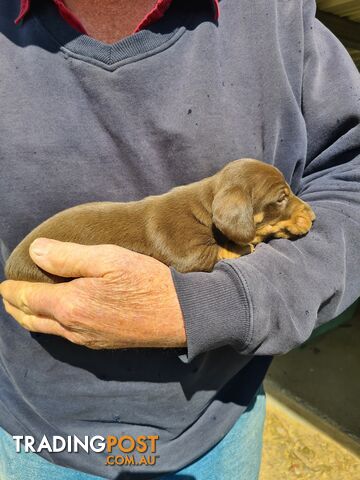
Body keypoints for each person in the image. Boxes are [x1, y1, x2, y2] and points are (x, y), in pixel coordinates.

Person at [0, 0, 359, 478]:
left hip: (217, 420)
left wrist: (225, 302)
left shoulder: (275, 12)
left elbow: (350, 180)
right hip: (37, 437)